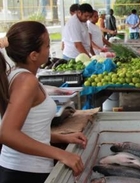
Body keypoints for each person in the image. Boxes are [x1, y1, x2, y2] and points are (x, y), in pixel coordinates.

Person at [0, 21, 87, 183]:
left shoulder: (17, 74)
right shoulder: (26, 81)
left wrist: (61, 138)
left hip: (22, 169)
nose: (49, 50)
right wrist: (61, 154)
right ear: (33, 55)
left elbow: (30, 129)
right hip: (25, 173)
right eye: (47, 46)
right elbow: (7, 133)